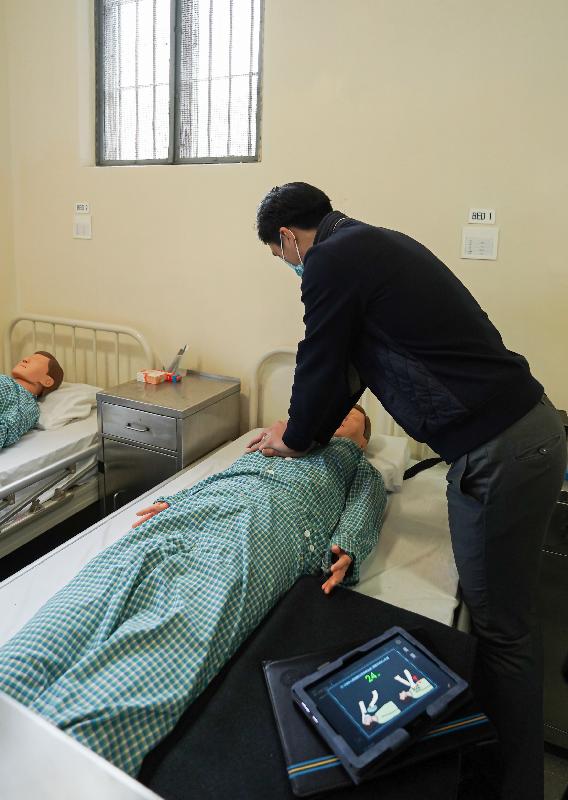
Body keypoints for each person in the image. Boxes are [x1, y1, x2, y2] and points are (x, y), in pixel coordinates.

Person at [250, 182, 566, 800]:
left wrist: (295, 438)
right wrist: (306, 431)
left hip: (501, 450)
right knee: (511, 626)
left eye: (279, 254)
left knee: (503, 633)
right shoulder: (372, 246)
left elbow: (318, 360)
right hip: (528, 431)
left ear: (288, 236)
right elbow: (347, 372)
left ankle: (511, 787)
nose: (287, 266)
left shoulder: (331, 260)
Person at [0, 405, 386, 777]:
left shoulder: (359, 468)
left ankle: (62, 769)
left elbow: (364, 510)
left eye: (351, 415)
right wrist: (177, 499)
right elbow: (225, 474)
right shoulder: (280, 440)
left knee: (176, 626)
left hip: (269, 522)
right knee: (93, 593)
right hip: (202, 507)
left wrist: (346, 548)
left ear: (364, 439)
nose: (338, 415)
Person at [0, 351, 64, 449]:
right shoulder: (5, 379)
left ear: (47, 381)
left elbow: (7, 430)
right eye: (27, 357)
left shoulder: (28, 405)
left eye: (36, 360)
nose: (25, 359)